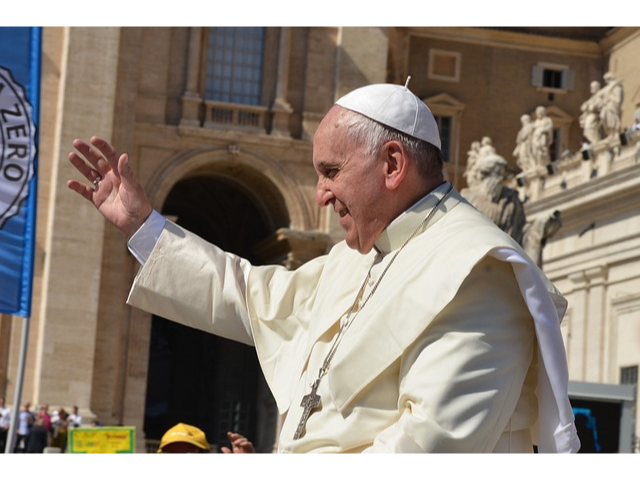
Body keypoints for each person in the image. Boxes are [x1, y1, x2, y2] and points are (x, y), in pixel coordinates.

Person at [67, 82, 580, 453]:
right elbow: (247, 295)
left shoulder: (476, 271)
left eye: (331, 172)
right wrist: (142, 225)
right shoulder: (354, 260)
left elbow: (429, 446)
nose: (320, 194)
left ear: (393, 164)